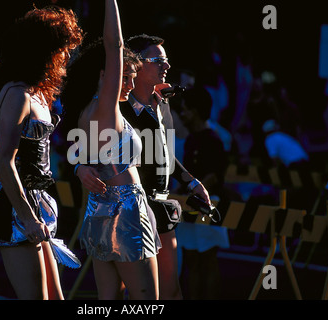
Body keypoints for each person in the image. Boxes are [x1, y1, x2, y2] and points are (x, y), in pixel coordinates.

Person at [75, 34, 211, 300]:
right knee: (131, 295)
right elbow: (81, 137)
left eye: (167, 60)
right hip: (127, 211)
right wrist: (80, 165)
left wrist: (192, 182)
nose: (166, 66)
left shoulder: (163, 103)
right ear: (136, 64)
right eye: (158, 60)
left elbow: (166, 155)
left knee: (168, 291)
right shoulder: (117, 106)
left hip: (160, 207)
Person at [0, 5, 83, 300]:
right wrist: (27, 217)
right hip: (16, 208)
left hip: (35, 202)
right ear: (43, 50)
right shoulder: (16, 94)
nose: (65, 55)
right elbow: (3, 162)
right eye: (61, 48)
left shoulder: (35, 92)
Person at [62, 0, 161, 300]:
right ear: (105, 75)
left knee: (109, 301)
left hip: (100, 210)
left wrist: (79, 167)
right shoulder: (105, 108)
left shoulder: (88, 112)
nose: (130, 84)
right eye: (126, 76)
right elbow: (114, 43)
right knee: (147, 300)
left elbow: (76, 151)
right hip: (125, 212)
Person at [175, 86, 230, 299]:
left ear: (196, 111)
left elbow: (214, 175)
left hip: (209, 203)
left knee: (207, 258)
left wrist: (195, 191)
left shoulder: (213, 139)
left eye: (185, 110)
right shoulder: (191, 139)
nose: (182, 115)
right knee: (191, 259)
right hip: (189, 204)